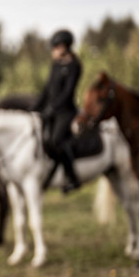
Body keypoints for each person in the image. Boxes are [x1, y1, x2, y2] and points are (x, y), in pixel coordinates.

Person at [33, 29, 83, 192]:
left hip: (66, 112)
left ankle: (73, 177)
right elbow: (47, 91)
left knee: (57, 140)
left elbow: (68, 93)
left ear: (64, 47)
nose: (53, 51)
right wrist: (34, 109)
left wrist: (52, 108)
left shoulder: (74, 65)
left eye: (56, 47)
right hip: (53, 110)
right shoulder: (55, 66)